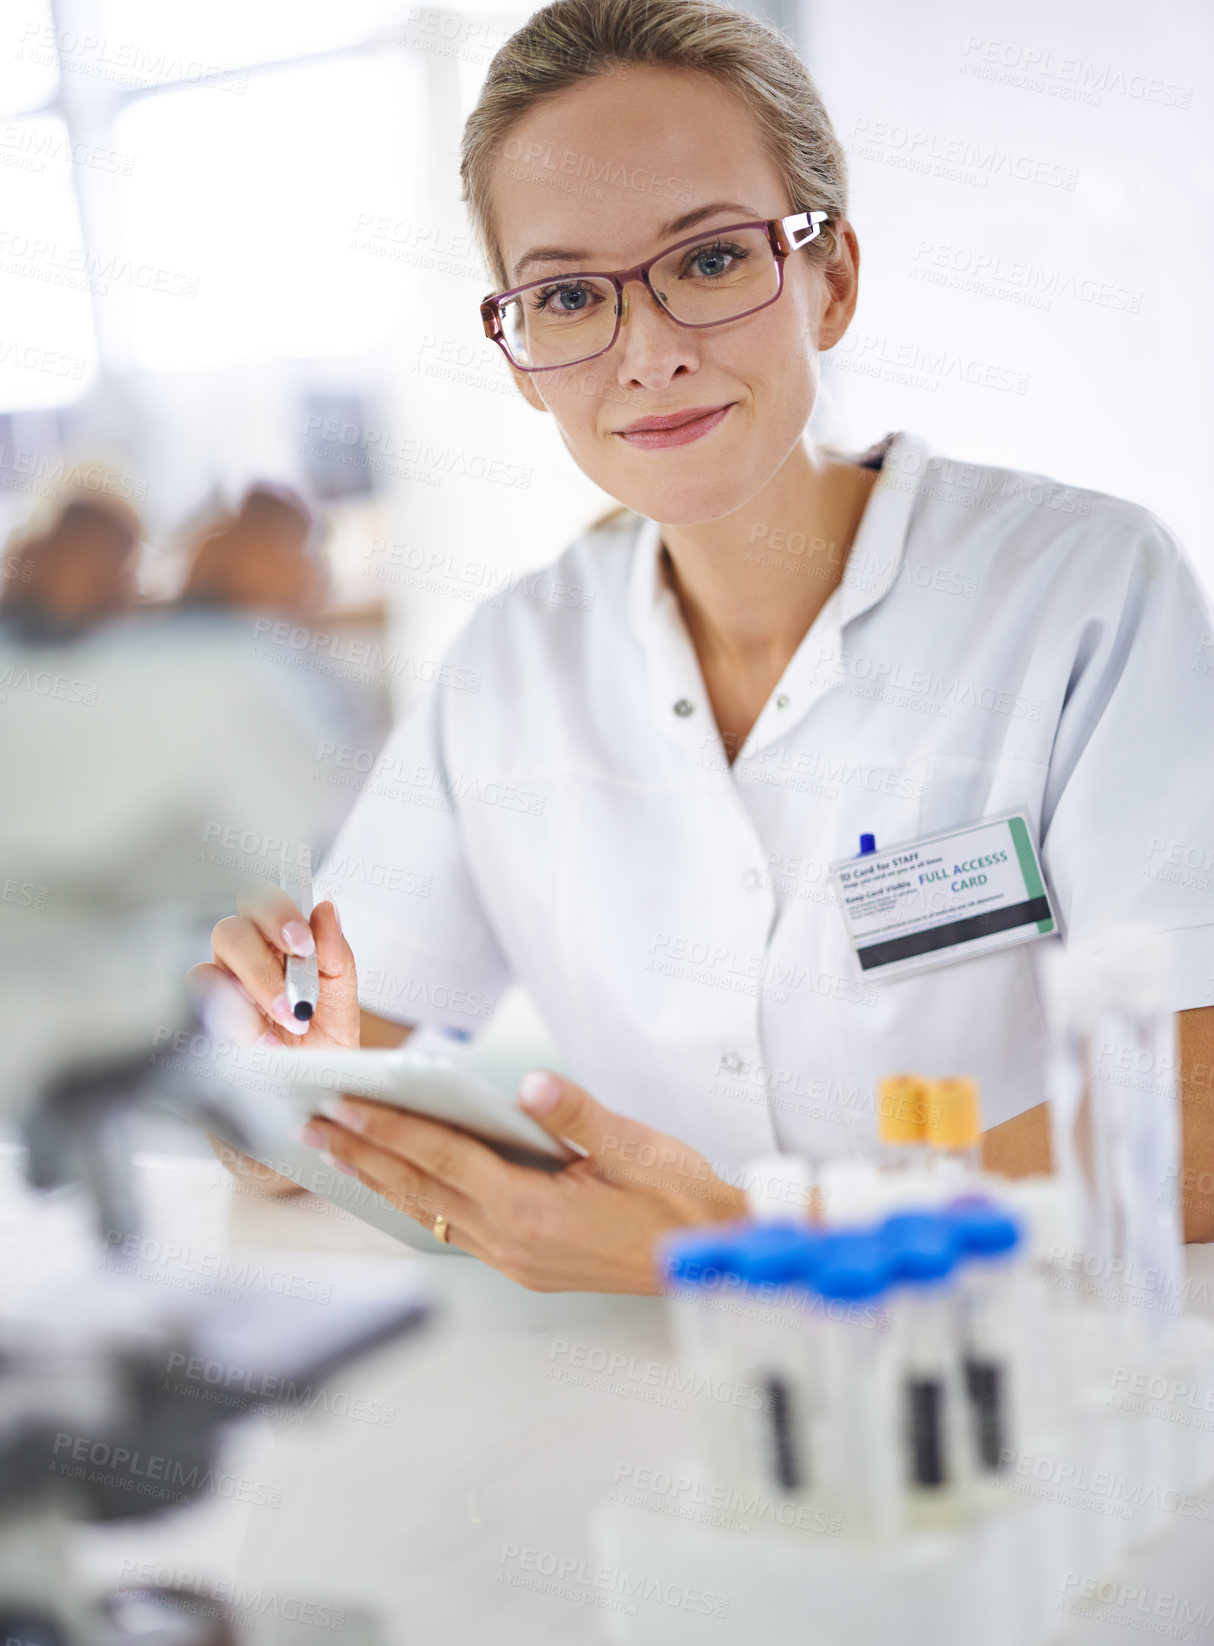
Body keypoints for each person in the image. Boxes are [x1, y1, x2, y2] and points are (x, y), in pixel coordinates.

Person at [195, 0, 1214, 1290]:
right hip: (677, 1407)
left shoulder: (1082, 590)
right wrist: (272, 1082)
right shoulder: (511, 667)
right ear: (521, 355)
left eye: (714, 261)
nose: (652, 354)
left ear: (830, 277)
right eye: (571, 296)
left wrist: (751, 1241)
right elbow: (331, 1074)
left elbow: (1195, 1116)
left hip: (1037, 1372)